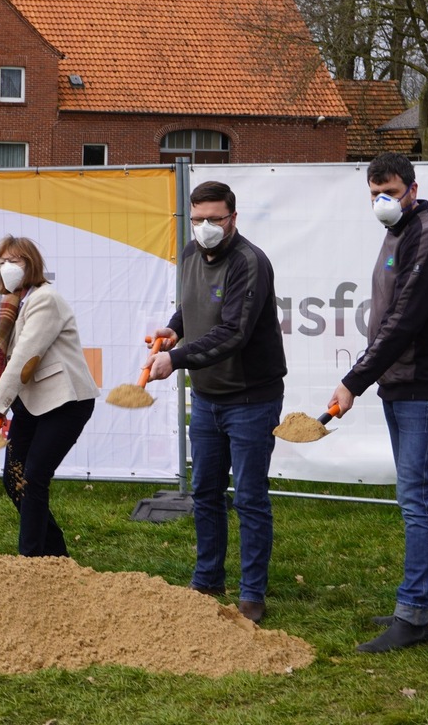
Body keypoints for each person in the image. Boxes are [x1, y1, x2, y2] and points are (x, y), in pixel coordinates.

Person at [329, 152, 428, 653]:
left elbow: (404, 319)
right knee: (426, 494)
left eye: (389, 191)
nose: (381, 201)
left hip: (424, 383)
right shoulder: (398, 232)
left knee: (415, 498)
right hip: (402, 380)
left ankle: (412, 616)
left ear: (413, 187)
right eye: (374, 194)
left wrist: (353, 381)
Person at [145, 181, 286, 625]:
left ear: (234, 219)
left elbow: (233, 332)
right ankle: (207, 580)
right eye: (198, 219)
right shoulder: (189, 254)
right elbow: (190, 307)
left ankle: (252, 593)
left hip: (251, 397)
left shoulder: (250, 263)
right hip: (206, 397)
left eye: (215, 219)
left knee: (248, 497)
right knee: (205, 491)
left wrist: (176, 358)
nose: (205, 227)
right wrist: (173, 329)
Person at [0, 236, 99, 557]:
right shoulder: (14, 301)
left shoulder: (45, 299)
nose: (7, 268)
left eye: (15, 261)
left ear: (31, 264)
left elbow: (24, 356)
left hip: (66, 403)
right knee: (14, 478)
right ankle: (56, 556)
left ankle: (31, 561)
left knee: (33, 479)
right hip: (31, 403)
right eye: (2, 262)